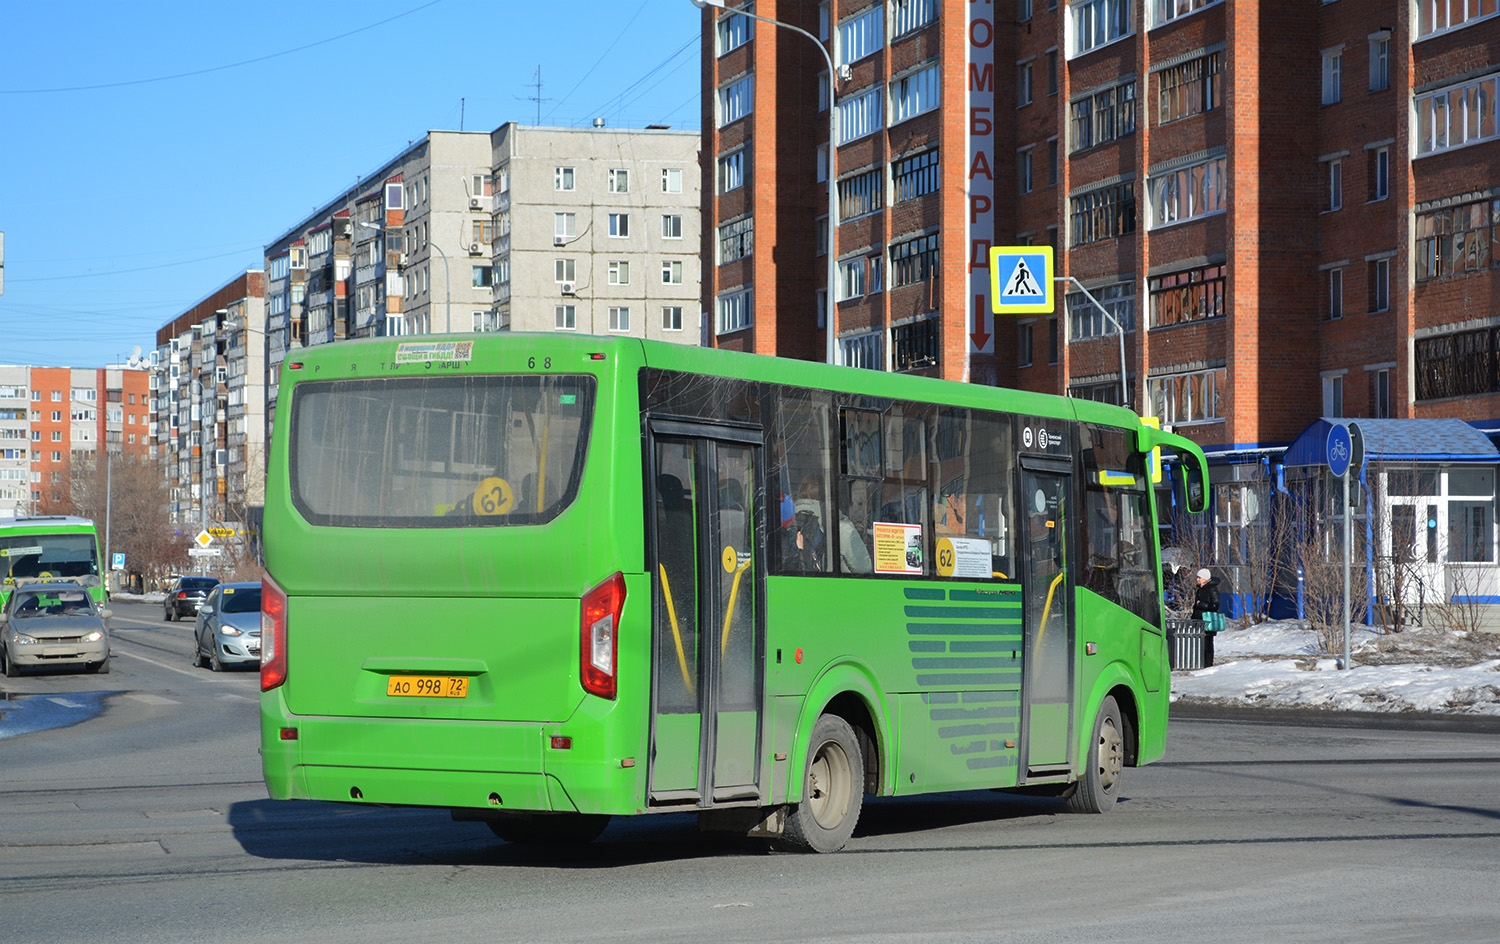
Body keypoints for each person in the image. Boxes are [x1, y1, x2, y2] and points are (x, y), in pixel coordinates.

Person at [1192, 567, 1223, 667]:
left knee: (1207, 644)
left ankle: (1208, 664)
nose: (1197, 579)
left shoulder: (1211, 589)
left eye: (1199, 577)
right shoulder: (1201, 589)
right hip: (1200, 621)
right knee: (1201, 644)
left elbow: (1215, 605)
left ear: (1205, 578)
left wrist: (1201, 604)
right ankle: (1202, 663)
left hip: (1208, 621)